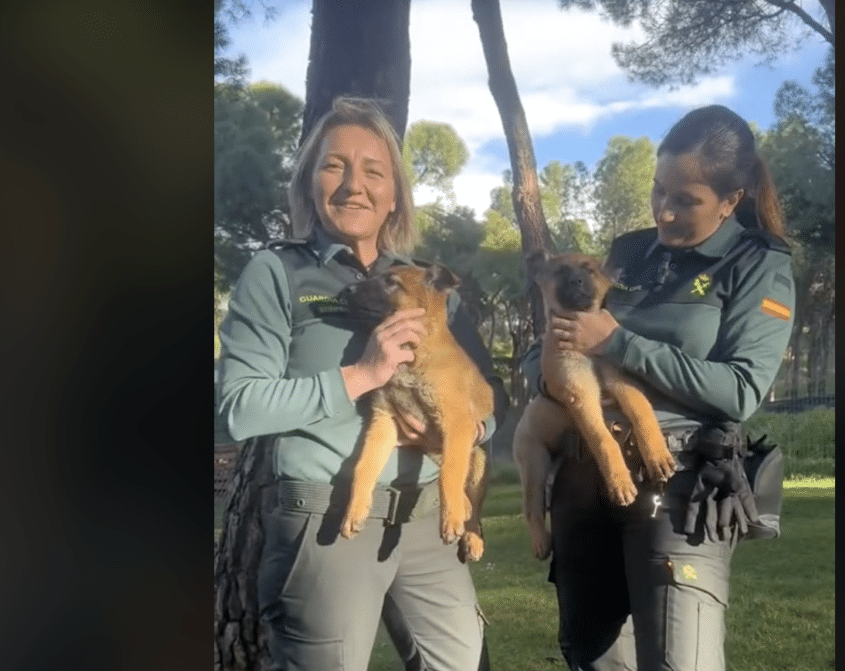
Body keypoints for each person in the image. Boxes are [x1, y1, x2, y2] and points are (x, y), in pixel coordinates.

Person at [217, 95, 507, 671]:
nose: (355, 185)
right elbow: (237, 410)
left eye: (374, 171)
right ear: (308, 183)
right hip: (328, 512)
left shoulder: (424, 282)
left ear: (394, 193)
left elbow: (483, 396)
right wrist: (362, 375)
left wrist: (465, 428)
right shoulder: (279, 271)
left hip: (428, 514)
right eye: (334, 165)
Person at [522, 104, 796, 671]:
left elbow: (742, 388)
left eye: (686, 200)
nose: (664, 213)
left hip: (675, 485)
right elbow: (564, 337)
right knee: (596, 661)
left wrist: (619, 343)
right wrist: (543, 368)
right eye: (657, 192)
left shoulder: (757, 263)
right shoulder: (628, 252)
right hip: (580, 480)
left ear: (731, 199)